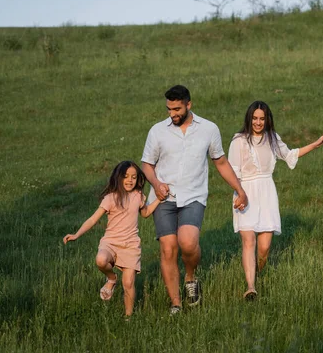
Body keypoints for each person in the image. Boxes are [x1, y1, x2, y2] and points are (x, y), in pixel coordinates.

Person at [141, 85, 248, 314]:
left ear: (189, 104)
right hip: (163, 199)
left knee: (188, 243)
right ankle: (176, 303)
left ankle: (190, 278)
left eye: (177, 109)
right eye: (169, 109)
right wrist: (156, 184)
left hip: (193, 196)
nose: (173, 114)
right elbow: (147, 165)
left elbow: (220, 162)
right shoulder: (157, 131)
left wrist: (240, 189)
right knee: (168, 249)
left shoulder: (209, 129)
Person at [228, 101, 323, 300]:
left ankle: (255, 273)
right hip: (245, 192)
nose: (258, 122)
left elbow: (290, 155)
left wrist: (315, 144)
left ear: (267, 120)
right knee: (249, 241)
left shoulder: (272, 139)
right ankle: (250, 287)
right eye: (255, 118)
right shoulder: (238, 141)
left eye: (262, 119)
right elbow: (232, 171)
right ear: (249, 118)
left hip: (266, 193)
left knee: (264, 247)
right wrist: (239, 193)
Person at [63, 161, 160, 318]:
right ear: (118, 177)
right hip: (111, 243)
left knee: (128, 284)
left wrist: (160, 199)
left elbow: (146, 212)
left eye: (134, 177)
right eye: (126, 176)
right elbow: (93, 219)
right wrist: (77, 234)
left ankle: (128, 318)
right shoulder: (110, 198)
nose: (130, 180)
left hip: (130, 246)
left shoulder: (138, 196)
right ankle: (111, 278)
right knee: (101, 260)